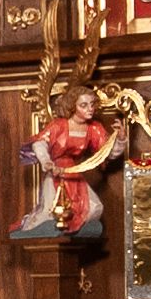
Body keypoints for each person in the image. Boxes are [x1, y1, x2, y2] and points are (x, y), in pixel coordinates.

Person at [11, 85, 121, 240]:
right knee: (50, 212)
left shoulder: (94, 128)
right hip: (56, 172)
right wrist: (47, 162)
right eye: (83, 105)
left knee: (94, 207)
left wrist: (120, 138)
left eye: (92, 104)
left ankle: (72, 228)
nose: (90, 109)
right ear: (72, 107)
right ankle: (30, 228)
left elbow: (106, 152)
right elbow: (40, 143)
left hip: (73, 172)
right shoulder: (59, 125)